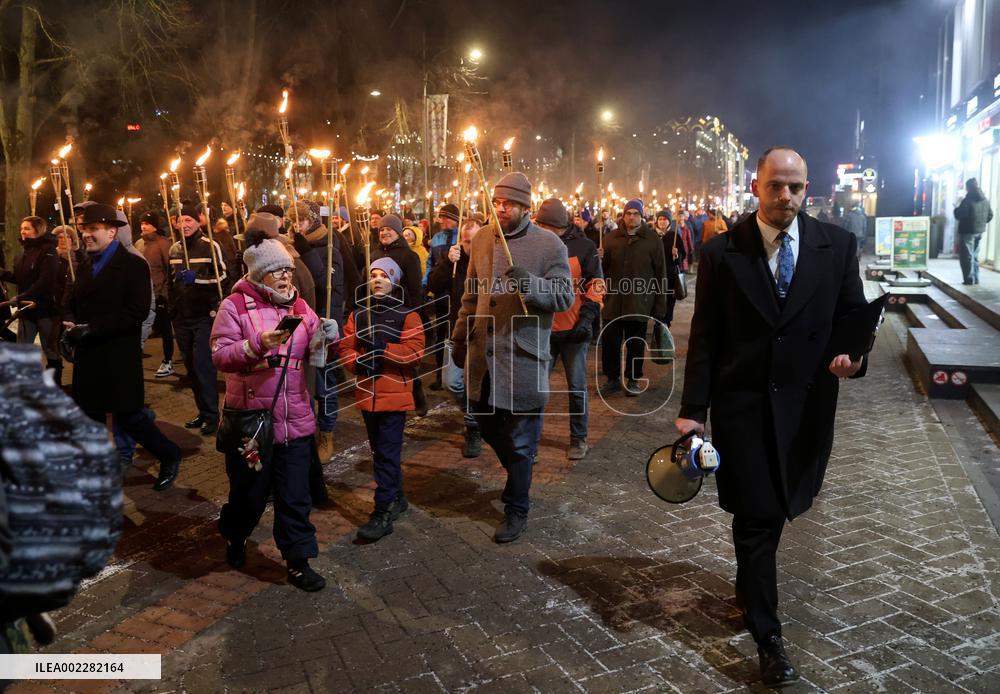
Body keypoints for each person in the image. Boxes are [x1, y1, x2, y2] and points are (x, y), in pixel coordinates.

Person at [676, 147, 868, 687]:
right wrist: (694, 411)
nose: (787, 196)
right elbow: (706, 339)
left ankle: (749, 583)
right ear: (756, 186)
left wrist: (854, 358)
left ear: (807, 189)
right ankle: (769, 635)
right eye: (776, 186)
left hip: (808, 406)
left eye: (797, 187)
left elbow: (852, 316)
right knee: (757, 517)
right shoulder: (721, 253)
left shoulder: (837, 246)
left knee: (781, 507)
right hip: (744, 408)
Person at [211, 226, 338, 592]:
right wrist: (257, 345)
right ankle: (235, 534)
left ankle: (298, 561)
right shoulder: (234, 306)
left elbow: (315, 352)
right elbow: (220, 356)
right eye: (278, 270)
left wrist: (326, 335)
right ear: (258, 273)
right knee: (249, 496)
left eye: (287, 269)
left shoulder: (299, 305)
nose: (286, 276)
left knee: (295, 495)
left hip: (295, 418)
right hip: (253, 424)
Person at [451, 172, 574, 543]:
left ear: (526, 207)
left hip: (523, 356)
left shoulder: (549, 245)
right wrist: (459, 334)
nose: (501, 209)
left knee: (522, 439)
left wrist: (531, 285)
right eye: (497, 203)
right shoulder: (485, 236)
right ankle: (519, 471)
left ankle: (517, 507)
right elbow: (471, 294)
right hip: (485, 355)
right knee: (486, 424)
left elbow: (564, 297)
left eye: (510, 204)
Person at [62, 203, 183, 491]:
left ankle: (169, 454)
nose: (87, 235)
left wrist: (91, 329)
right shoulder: (85, 263)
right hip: (89, 354)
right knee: (89, 413)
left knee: (129, 415)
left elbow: (136, 311)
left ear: (112, 231)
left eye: (93, 229)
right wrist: (67, 325)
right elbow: (72, 301)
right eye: (84, 230)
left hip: (117, 353)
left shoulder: (132, 264)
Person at [338, 257, 425, 541]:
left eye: (384, 276)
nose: (377, 280)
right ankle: (397, 497)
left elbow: (415, 352)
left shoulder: (407, 315)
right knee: (380, 453)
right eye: (373, 275)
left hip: (394, 395)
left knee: (386, 454)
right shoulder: (359, 314)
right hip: (367, 394)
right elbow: (347, 347)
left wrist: (383, 349)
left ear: (394, 281)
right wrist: (359, 362)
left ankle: (383, 510)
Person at [535, 198, 603, 460]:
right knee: (537, 387)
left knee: (576, 387)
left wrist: (586, 319)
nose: (539, 228)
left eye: (543, 224)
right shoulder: (538, 244)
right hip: (543, 329)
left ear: (557, 226)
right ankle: (532, 439)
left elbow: (596, 284)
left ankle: (578, 437)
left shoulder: (584, 247)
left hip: (574, 327)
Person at [169, 203, 228, 436]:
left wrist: (198, 281)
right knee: (191, 369)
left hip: (204, 315)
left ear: (197, 221)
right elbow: (170, 280)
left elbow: (224, 277)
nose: (184, 225)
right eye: (180, 220)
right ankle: (202, 412)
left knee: (203, 366)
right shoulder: (175, 249)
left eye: (189, 220)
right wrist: (170, 305)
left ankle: (213, 415)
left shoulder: (210, 245)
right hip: (182, 317)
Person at [599, 198, 668, 397]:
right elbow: (602, 272)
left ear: (642, 216)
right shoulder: (611, 238)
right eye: (628, 213)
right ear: (624, 215)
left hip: (639, 302)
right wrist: (600, 259)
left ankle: (633, 378)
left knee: (635, 344)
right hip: (613, 302)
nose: (631, 217)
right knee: (610, 344)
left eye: (635, 214)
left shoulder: (652, 240)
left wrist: (659, 307)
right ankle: (612, 379)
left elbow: (660, 273)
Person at [427, 218, 483, 457]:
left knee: (477, 384)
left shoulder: (492, 260)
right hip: (458, 330)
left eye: (476, 241)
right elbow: (433, 285)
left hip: (483, 332)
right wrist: (445, 263)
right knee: (453, 382)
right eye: (467, 241)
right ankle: (477, 416)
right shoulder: (454, 262)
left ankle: (473, 427)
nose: (471, 246)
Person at [373, 213, 428, 416]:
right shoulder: (375, 254)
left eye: (389, 229)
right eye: (381, 230)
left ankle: (415, 392)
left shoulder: (408, 256)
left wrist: (414, 315)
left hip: (401, 313)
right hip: (378, 311)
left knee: (401, 356)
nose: (385, 232)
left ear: (397, 232)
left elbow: (415, 289)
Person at [0, 217, 62, 379]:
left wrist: (22, 296)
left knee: (50, 348)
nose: (23, 231)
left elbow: (46, 281)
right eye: (22, 228)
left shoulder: (48, 250)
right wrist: (2, 274)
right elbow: (20, 278)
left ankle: (55, 383)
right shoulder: (22, 253)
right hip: (26, 309)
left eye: (27, 228)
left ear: (38, 229)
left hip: (45, 308)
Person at [136, 212, 175, 378]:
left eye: (147, 223)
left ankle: (168, 360)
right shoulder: (139, 244)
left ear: (155, 226)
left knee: (165, 329)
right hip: (143, 294)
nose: (143, 226)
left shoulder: (163, 244)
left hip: (159, 294)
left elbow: (168, 269)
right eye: (142, 223)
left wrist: (164, 293)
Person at [954, 178, 993, 285]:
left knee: (967, 256)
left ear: (968, 187)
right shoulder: (985, 200)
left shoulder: (967, 200)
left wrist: (956, 208)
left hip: (967, 231)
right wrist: (981, 224)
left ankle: (969, 279)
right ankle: (976, 278)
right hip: (979, 231)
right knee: (974, 255)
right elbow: (990, 215)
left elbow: (960, 215)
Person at [653, 209, 686, 328]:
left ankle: (666, 324)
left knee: (668, 301)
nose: (662, 222)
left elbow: (682, 256)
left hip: (670, 276)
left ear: (669, 221)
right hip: (655, 275)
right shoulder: (652, 236)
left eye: (665, 219)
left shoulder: (674, 236)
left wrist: (676, 255)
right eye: (660, 219)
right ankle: (657, 322)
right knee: (656, 300)